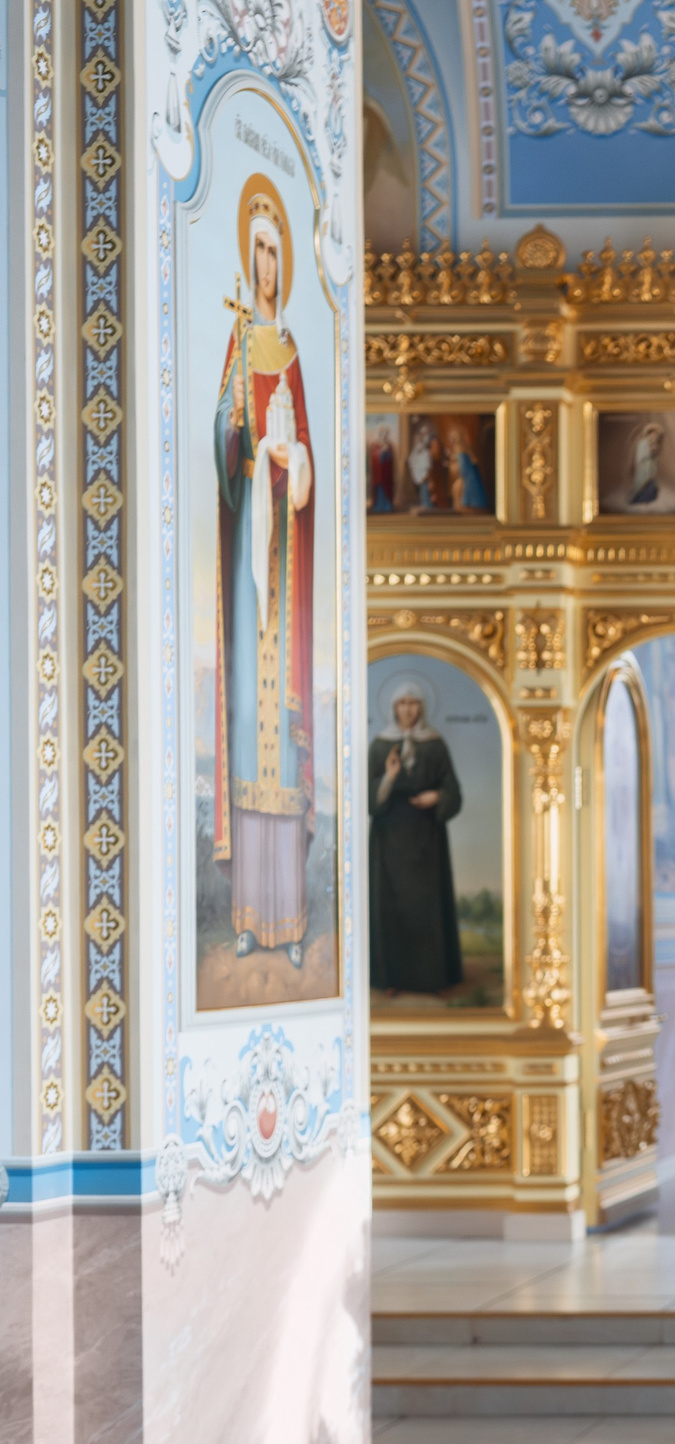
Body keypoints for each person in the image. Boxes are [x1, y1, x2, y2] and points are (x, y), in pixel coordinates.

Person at [213, 182, 320, 970]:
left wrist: (296, 459)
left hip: (287, 546)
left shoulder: (290, 355)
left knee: (282, 728)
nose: (267, 263)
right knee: (251, 739)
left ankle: (289, 922)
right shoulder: (238, 339)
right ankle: (250, 917)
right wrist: (244, 440)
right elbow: (222, 437)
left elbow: (310, 457)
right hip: (252, 545)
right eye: (258, 250)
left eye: (276, 249)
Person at [368, 679, 464, 996]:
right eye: (402, 703)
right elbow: (367, 796)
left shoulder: (435, 744)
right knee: (391, 906)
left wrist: (436, 797)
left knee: (427, 907)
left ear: (422, 707)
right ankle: (390, 978)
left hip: (426, 836)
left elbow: (452, 789)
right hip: (389, 836)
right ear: (393, 708)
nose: (408, 710)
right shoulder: (380, 745)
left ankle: (432, 979)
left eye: (413, 703)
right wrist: (391, 776)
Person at [626, 422, 664, 508]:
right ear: (649, 434)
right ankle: (638, 499)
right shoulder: (642, 443)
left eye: (655, 435)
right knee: (642, 482)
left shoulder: (654, 444)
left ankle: (649, 499)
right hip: (643, 466)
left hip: (650, 466)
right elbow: (641, 455)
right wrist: (650, 452)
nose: (654, 437)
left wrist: (655, 451)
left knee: (650, 482)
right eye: (652, 435)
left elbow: (655, 457)